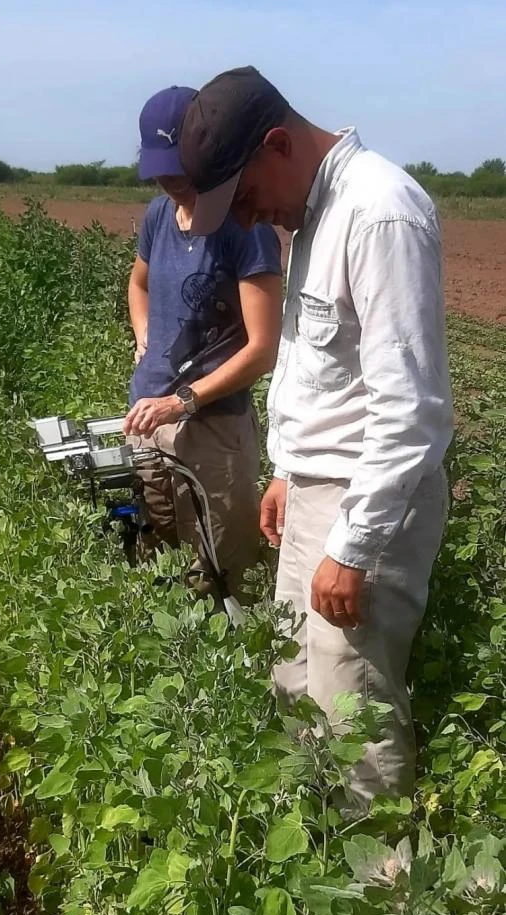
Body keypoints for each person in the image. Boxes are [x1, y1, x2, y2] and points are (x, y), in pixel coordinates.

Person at [179, 66, 454, 811]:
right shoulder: (313, 213)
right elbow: (327, 369)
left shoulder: (378, 211)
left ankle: (378, 905)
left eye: (240, 199)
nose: (244, 222)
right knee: (296, 685)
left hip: (366, 505)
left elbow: (411, 407)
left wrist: (353, 547)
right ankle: (314, 879)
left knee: (351, 710)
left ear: (277, 144)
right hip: (315, 492)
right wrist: (285, 471)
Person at [124, 85, 282, 597]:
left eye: (178, 168)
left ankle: (229, 672)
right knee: (159, 556)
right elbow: (139, 282)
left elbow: (262, 349)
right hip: (147, 416)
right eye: (160, 170)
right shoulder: (157, 217)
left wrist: (182, 400)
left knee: (220, 571)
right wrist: (144, 332)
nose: (170, 181)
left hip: (213, 429)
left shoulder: (244, 225)